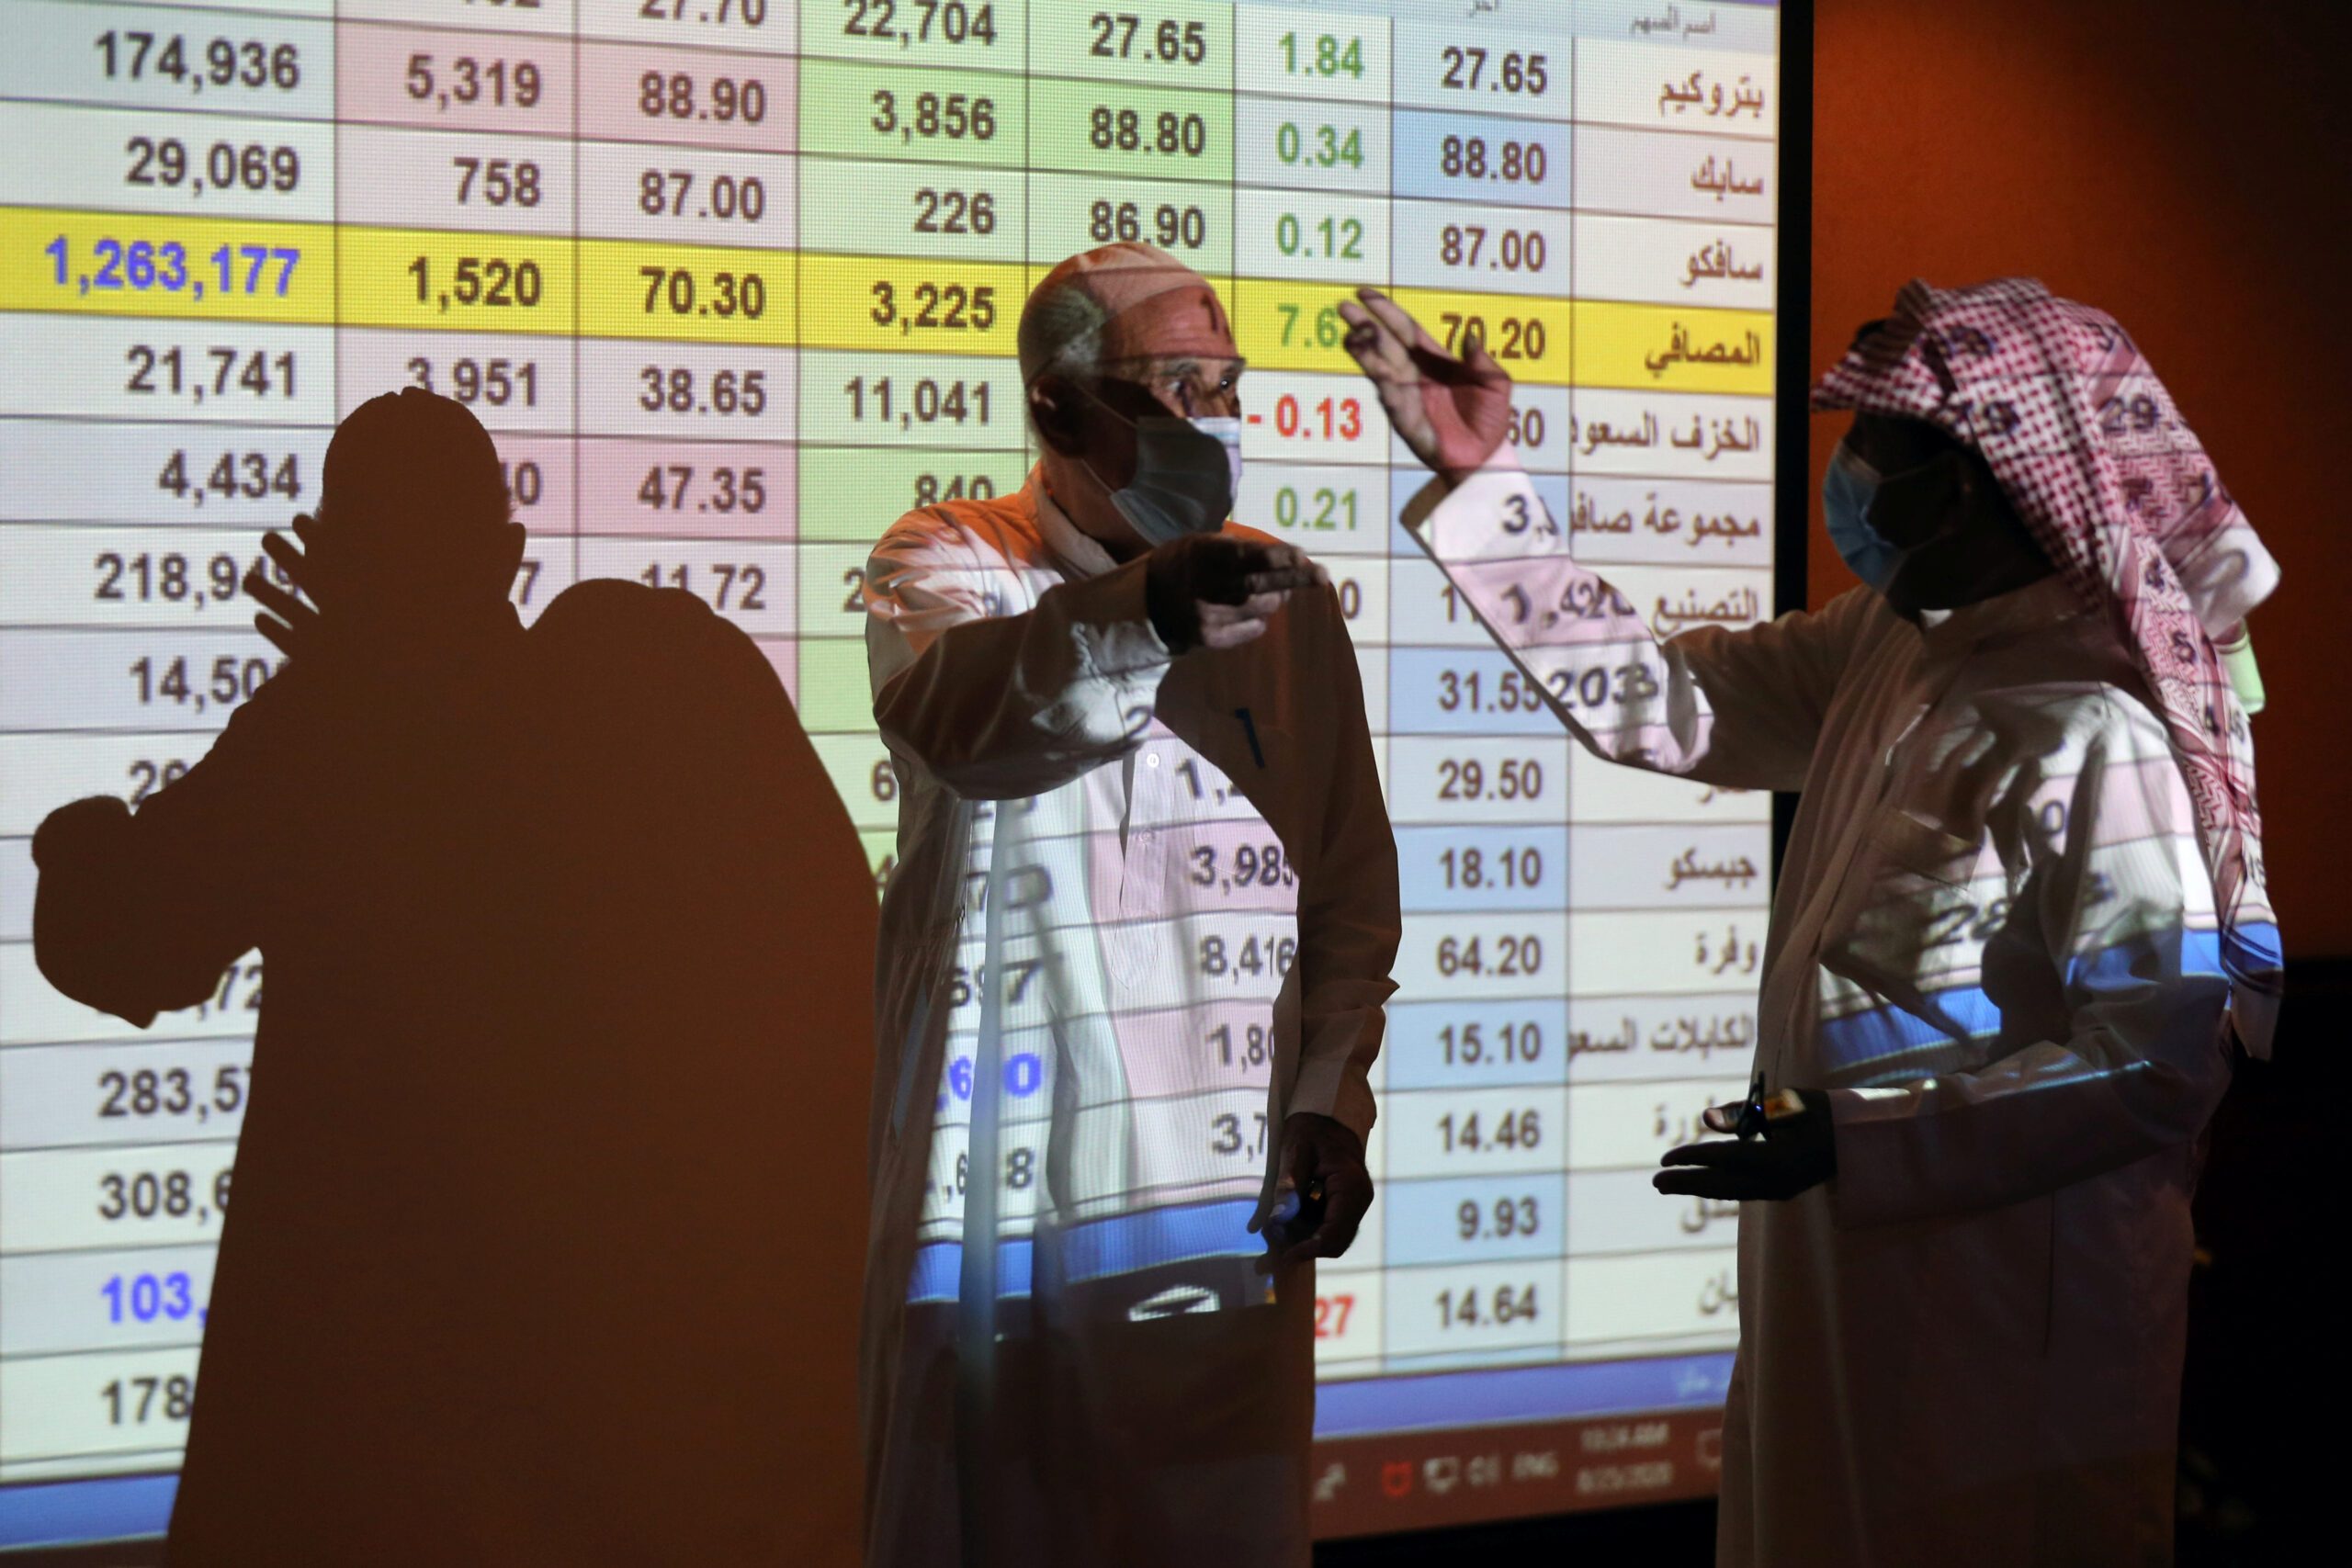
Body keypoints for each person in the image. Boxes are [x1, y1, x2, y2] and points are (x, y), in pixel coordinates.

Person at [1337, 277, 2279, 1565]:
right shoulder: (1902, 646)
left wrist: (1859, 1136)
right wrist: (1489, 488)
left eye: (1874, 448)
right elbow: (1662, 702)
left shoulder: (2095, 723)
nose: (1848, 479)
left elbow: (2158, 1059)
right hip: (1842, 1278)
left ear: (1961, 487)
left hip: (2005, 1333)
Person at [31, 389, 876, 1565]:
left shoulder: (328, 735)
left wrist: (76, 830)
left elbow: (115, 942)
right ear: (510, 556)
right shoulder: (671, 686)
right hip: (675, 1432)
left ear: (330, 561)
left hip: (389, 1452)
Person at [857, 243, 1400, 1568]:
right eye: (1173, 383)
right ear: (1058, 408)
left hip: (1225, 1190)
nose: (1211, 416)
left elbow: (1345, 877)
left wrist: (1332, 1091)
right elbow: (972, 720)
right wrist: (1146, 612)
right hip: (1004, 1190)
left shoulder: (1284, 589)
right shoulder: (948, 559)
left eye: (1225, 383)